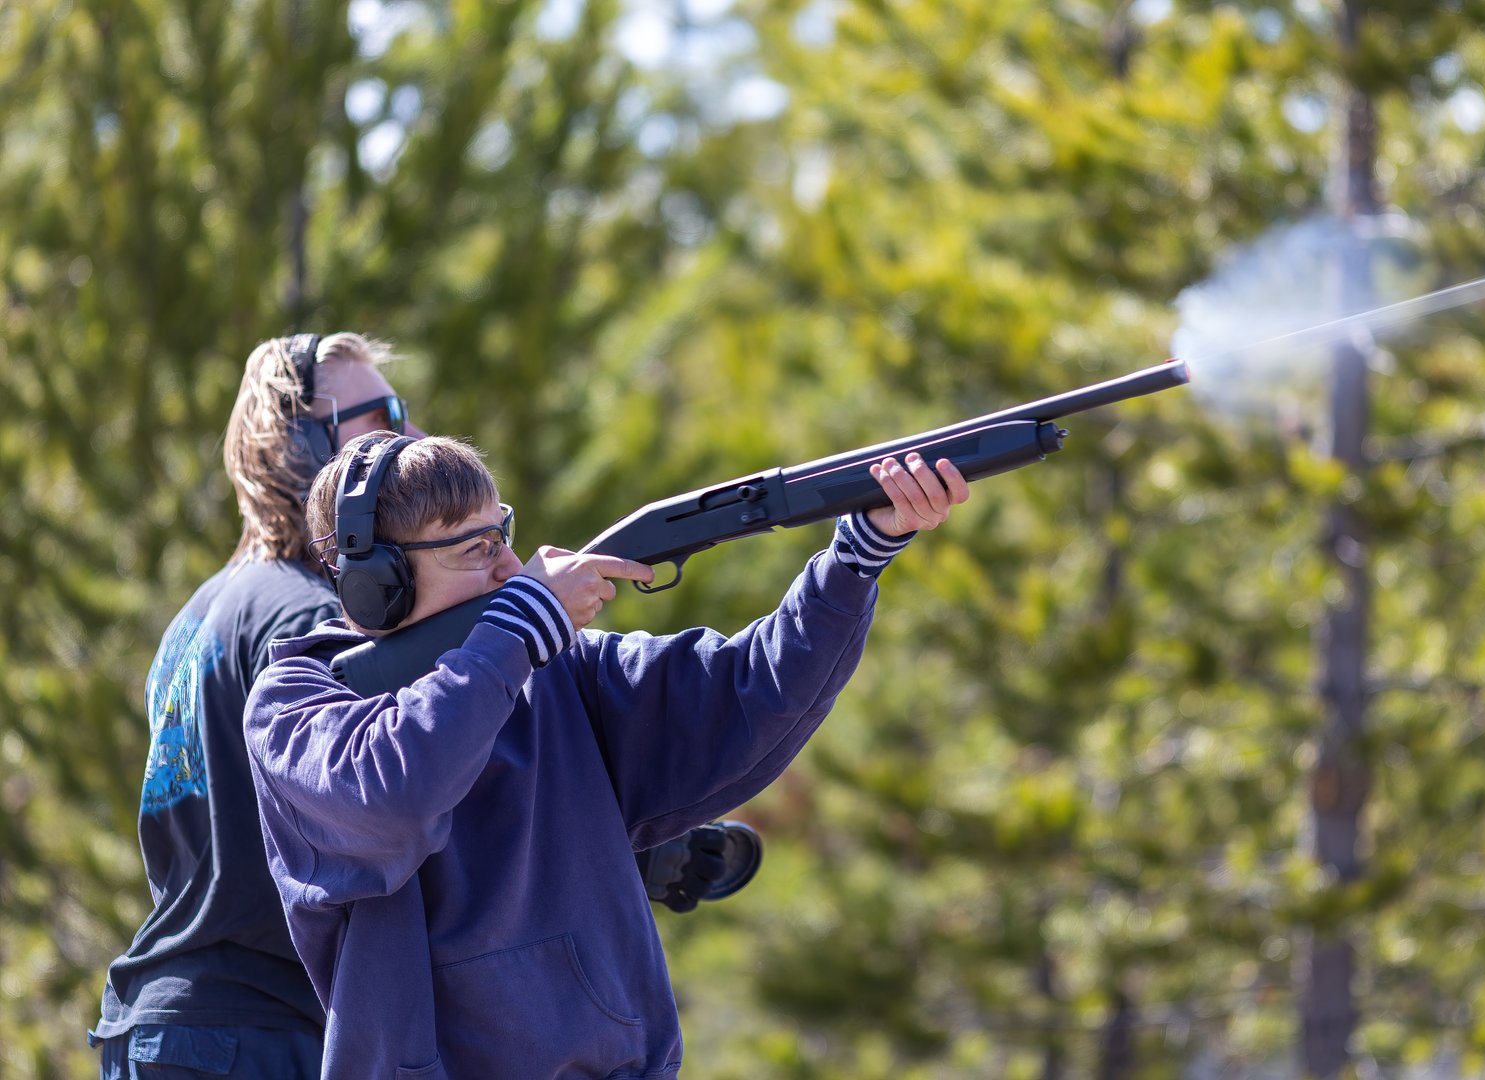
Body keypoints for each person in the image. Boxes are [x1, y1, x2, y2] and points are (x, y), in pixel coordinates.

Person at [90, 334, 750, 1078]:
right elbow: (398, 780)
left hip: (165, 1022)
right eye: (382, 414)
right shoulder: (314, 625)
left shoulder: (208, 610)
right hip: (265, 1033)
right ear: (300, 440)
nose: (410, 434)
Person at [243, 431, 968, 1078]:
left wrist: (857, 556)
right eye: (475, 549)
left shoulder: (554, 664)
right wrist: (518, 633)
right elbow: (393, 795)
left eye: (504, 537)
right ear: (377, 588)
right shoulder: (297, 705)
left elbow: (748, 695)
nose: (510, 568)